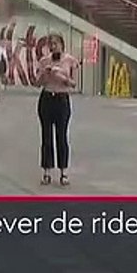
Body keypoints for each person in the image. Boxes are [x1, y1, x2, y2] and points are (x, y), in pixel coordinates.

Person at [37, 39, 79, 186]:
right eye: (51, 44)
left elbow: (74, 83)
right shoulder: (44, 61)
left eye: (56, 44)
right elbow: (38, 83)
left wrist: (63, 77)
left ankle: (64, 172)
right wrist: (45, 74)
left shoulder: (70, 60)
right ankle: (47, 171)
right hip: (47, 97)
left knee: (61, 136)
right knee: (46, 136)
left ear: (62, 45)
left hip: (62, 98)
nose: (54, 47)